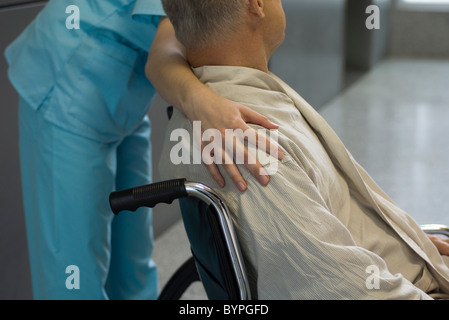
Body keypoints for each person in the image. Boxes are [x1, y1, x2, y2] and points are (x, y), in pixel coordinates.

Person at [158, 0, 449, 299]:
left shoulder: (233, 100)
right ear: (256, 5)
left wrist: (403, 242)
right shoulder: (248, 142)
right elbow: (343, 288)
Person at [5, 0, 281, 300]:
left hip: (126, 88)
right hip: (70, 80)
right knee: (73, 271)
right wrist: (204, 103)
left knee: (132, 262)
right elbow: (164, 53)